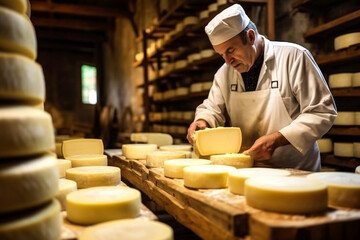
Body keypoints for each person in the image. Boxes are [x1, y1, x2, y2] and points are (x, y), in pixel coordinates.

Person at [186, 4, 337, 171]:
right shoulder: (224, 73)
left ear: (250, 37)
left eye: (231, 50)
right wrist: (203, 121)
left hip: (296, 172)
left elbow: (321, 111)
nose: (228, 61)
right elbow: (212, 108)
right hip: (249, 171)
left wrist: (277, 139)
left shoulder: (293, 57)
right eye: (222, 55)